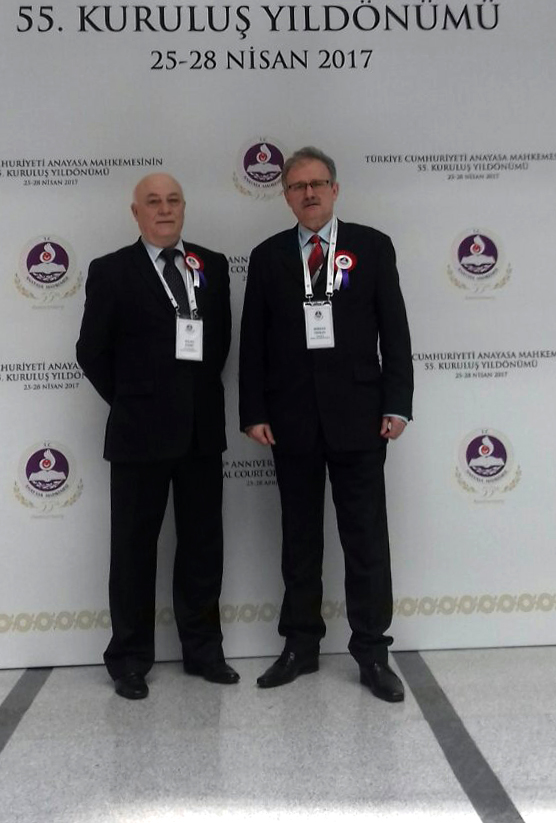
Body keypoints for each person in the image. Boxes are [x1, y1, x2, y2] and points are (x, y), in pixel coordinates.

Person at [239, 147, 413, 702]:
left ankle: (372, 653)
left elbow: (396, 331)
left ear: (335, 190)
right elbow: (253, 343)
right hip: (291, 421)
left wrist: (397, 403)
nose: (309, 193)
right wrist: (253, 411)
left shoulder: (372, 246)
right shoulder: (267, 256)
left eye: (317, 184)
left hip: (361, 419)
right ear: (286, 196)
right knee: (299, 540)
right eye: (298, 186)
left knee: (366, 540)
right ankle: (300, 646)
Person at [77, 173, 238, 699]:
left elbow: (219, 344)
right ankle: (128, 659)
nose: (164, 209)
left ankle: (203, 651)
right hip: (138, 435)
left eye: (172, 200)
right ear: (136, 213)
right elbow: (91, 351)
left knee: (202, 547)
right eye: (153, 202)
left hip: (200, 433)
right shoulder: (111, 271)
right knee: (132, 551)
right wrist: (133, 400)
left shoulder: (212, 265)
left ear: (184, 208)